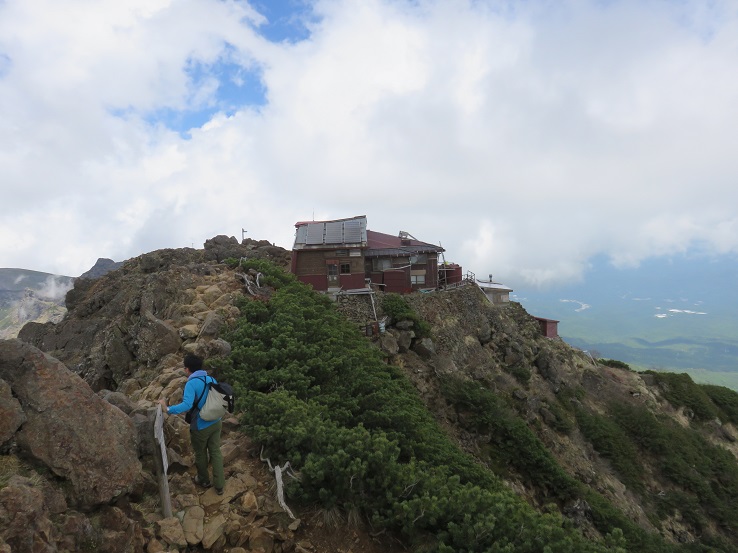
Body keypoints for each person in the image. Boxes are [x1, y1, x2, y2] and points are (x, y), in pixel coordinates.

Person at [159, 354, 225, 495]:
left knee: (200, 453)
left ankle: (203, 480)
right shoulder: (210, 378)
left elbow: (187, 405)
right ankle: (220, 485)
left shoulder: (191, 383)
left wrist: (168, 409)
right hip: (216, 422)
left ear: (188, 369)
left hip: (201, 426)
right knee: (215, 451)